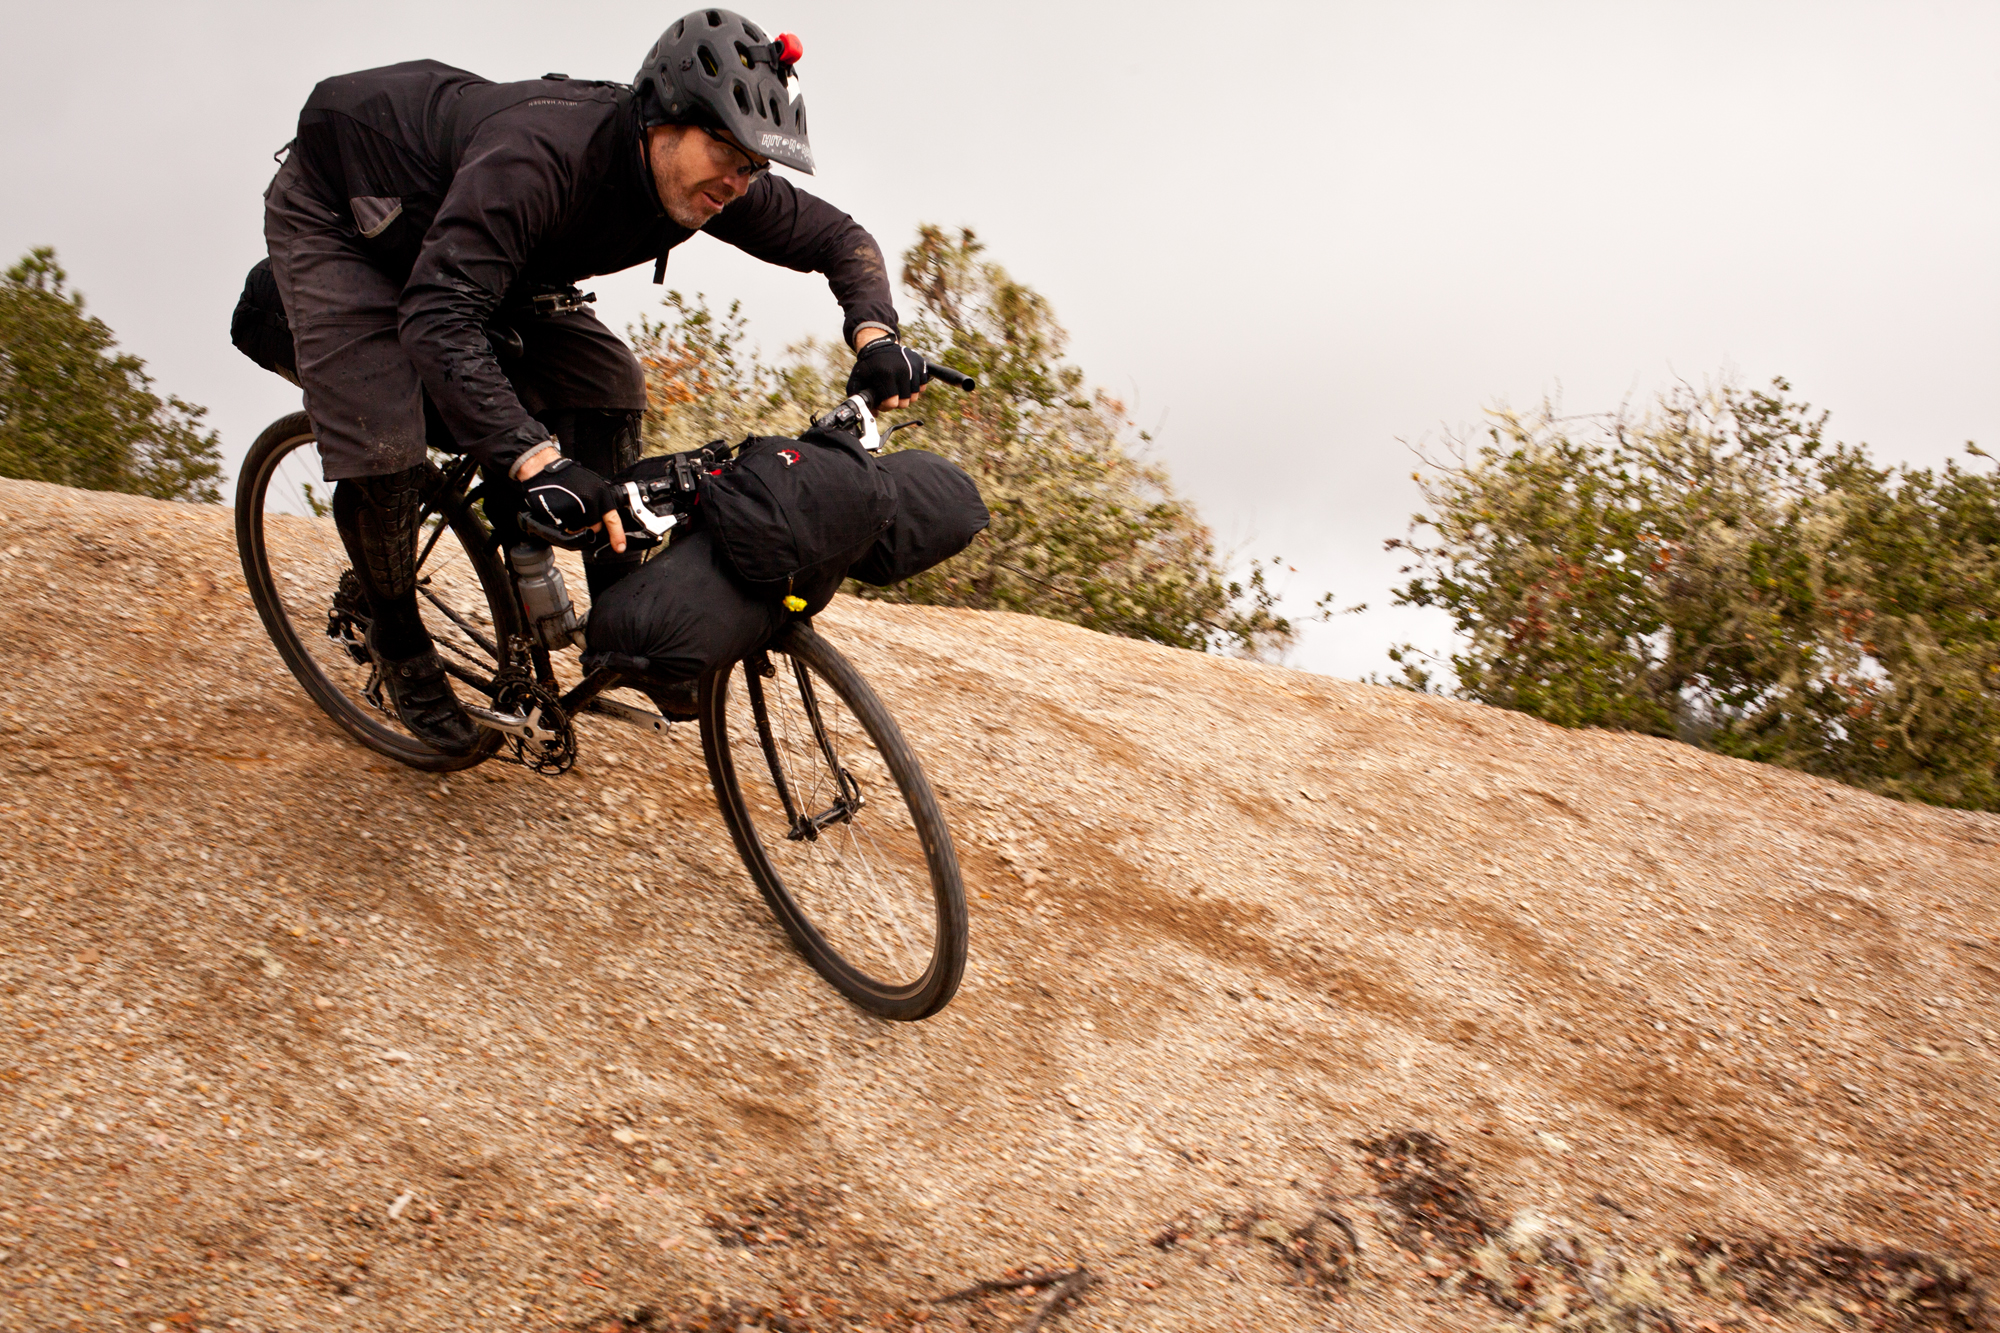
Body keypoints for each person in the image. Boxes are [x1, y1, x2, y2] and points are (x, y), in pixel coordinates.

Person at [261, 9, 936, 754]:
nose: (738, 181)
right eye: (726, 151)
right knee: (385, 444)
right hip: (349, 212)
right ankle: (395, 637)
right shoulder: (541, 160)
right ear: (663, 118)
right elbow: (438, 316)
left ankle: (624, 626)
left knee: (609, 382)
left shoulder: (706, 180)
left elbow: (839, 239)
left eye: (753, 167)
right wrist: (533, 459)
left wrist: (877, 335)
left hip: (474, 239)